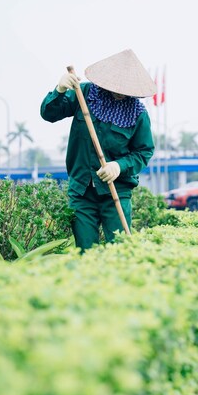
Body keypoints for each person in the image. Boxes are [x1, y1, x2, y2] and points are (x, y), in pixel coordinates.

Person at [40, 49, 156, 251]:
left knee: (119, 251)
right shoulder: (83, 94)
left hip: (116, 192)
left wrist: (118, 166)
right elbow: (49, 114)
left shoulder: (138, 114)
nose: (121, 91)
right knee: (86, 251)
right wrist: (59, 90)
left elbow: (143, 152)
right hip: (82, 190)